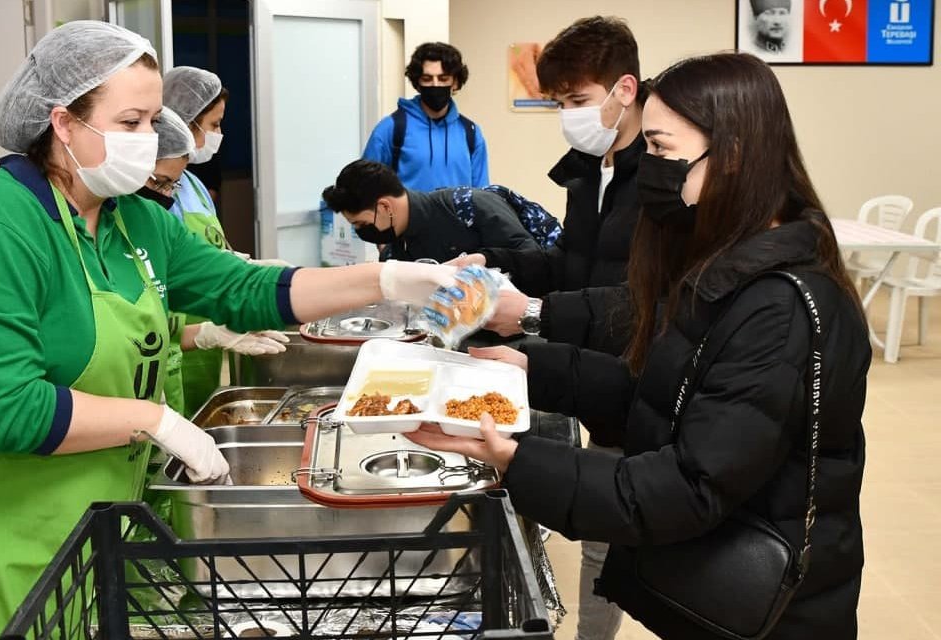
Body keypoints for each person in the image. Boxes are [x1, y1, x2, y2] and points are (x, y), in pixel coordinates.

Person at [0, 22, 459, 640]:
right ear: (63, 123)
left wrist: (388, 280)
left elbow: (245, 289)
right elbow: (0, 408)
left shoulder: (134, 220)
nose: (148, 140)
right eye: (130, 122)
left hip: (79, 523)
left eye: (153, 121)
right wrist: (153, 420)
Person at [409, 52, 869, 640]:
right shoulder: (724, 262)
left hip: (771, 613)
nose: (647, 166)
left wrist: (517, 460)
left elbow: (689, 486)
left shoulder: (775, 307)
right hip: (712, 593)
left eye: (658, 147)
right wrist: (526, 370)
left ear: (731, 154)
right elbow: (665, 393)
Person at [455, 16, 644, 358]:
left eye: (578, 100)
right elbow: (567, 261)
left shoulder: (658, 175)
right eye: (560, 103)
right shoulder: (587, 169)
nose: (568, 115)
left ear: (625, 90)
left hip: (629, 363)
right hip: (579, 359)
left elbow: (646, 300)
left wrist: (537, 314)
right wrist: (490, 261)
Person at [141, 106, 288, 418]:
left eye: (171, 186)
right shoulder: (115, 228)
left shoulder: (187, 189)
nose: (167, 195)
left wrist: (238, 265)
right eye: (159, 183)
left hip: (174, 356)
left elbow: (204, 250)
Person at [156, 66, 269, 416]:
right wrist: (202, 332)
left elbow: (214, 249)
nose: (219, 134)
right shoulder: (153, 191)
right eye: (214, 124)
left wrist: (244, 265)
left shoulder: (192, 184)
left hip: (204, 342)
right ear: (185, 122)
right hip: (171, 338)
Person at [322, 159, 539, 265]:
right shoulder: (393, 254)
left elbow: (533, 259)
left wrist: (482, 262)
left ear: (385, 207)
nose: (362, 232)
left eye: (362, 224)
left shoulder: (469, 206)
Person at [362, 42, 489, 191]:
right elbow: (366, 188)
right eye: (427, 79)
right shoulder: (390, 128)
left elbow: (482, 195)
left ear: (455, 82)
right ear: (417, 83)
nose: (435, 85)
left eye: (443, 79)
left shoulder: (471, 133)